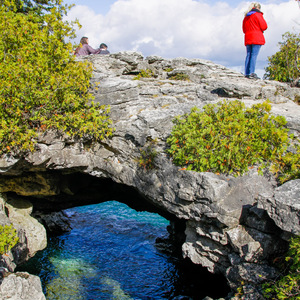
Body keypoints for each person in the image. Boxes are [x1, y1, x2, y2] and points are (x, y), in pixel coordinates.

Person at [242, 3, 268, 79]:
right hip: (256, 37)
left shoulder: (246, 17)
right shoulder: (257, 15)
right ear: (258, 8)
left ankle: (247, 73)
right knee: (254, 55)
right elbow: (264, 26)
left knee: (248, 55)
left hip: (248, 37)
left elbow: (244, 29)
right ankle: (252, 73)